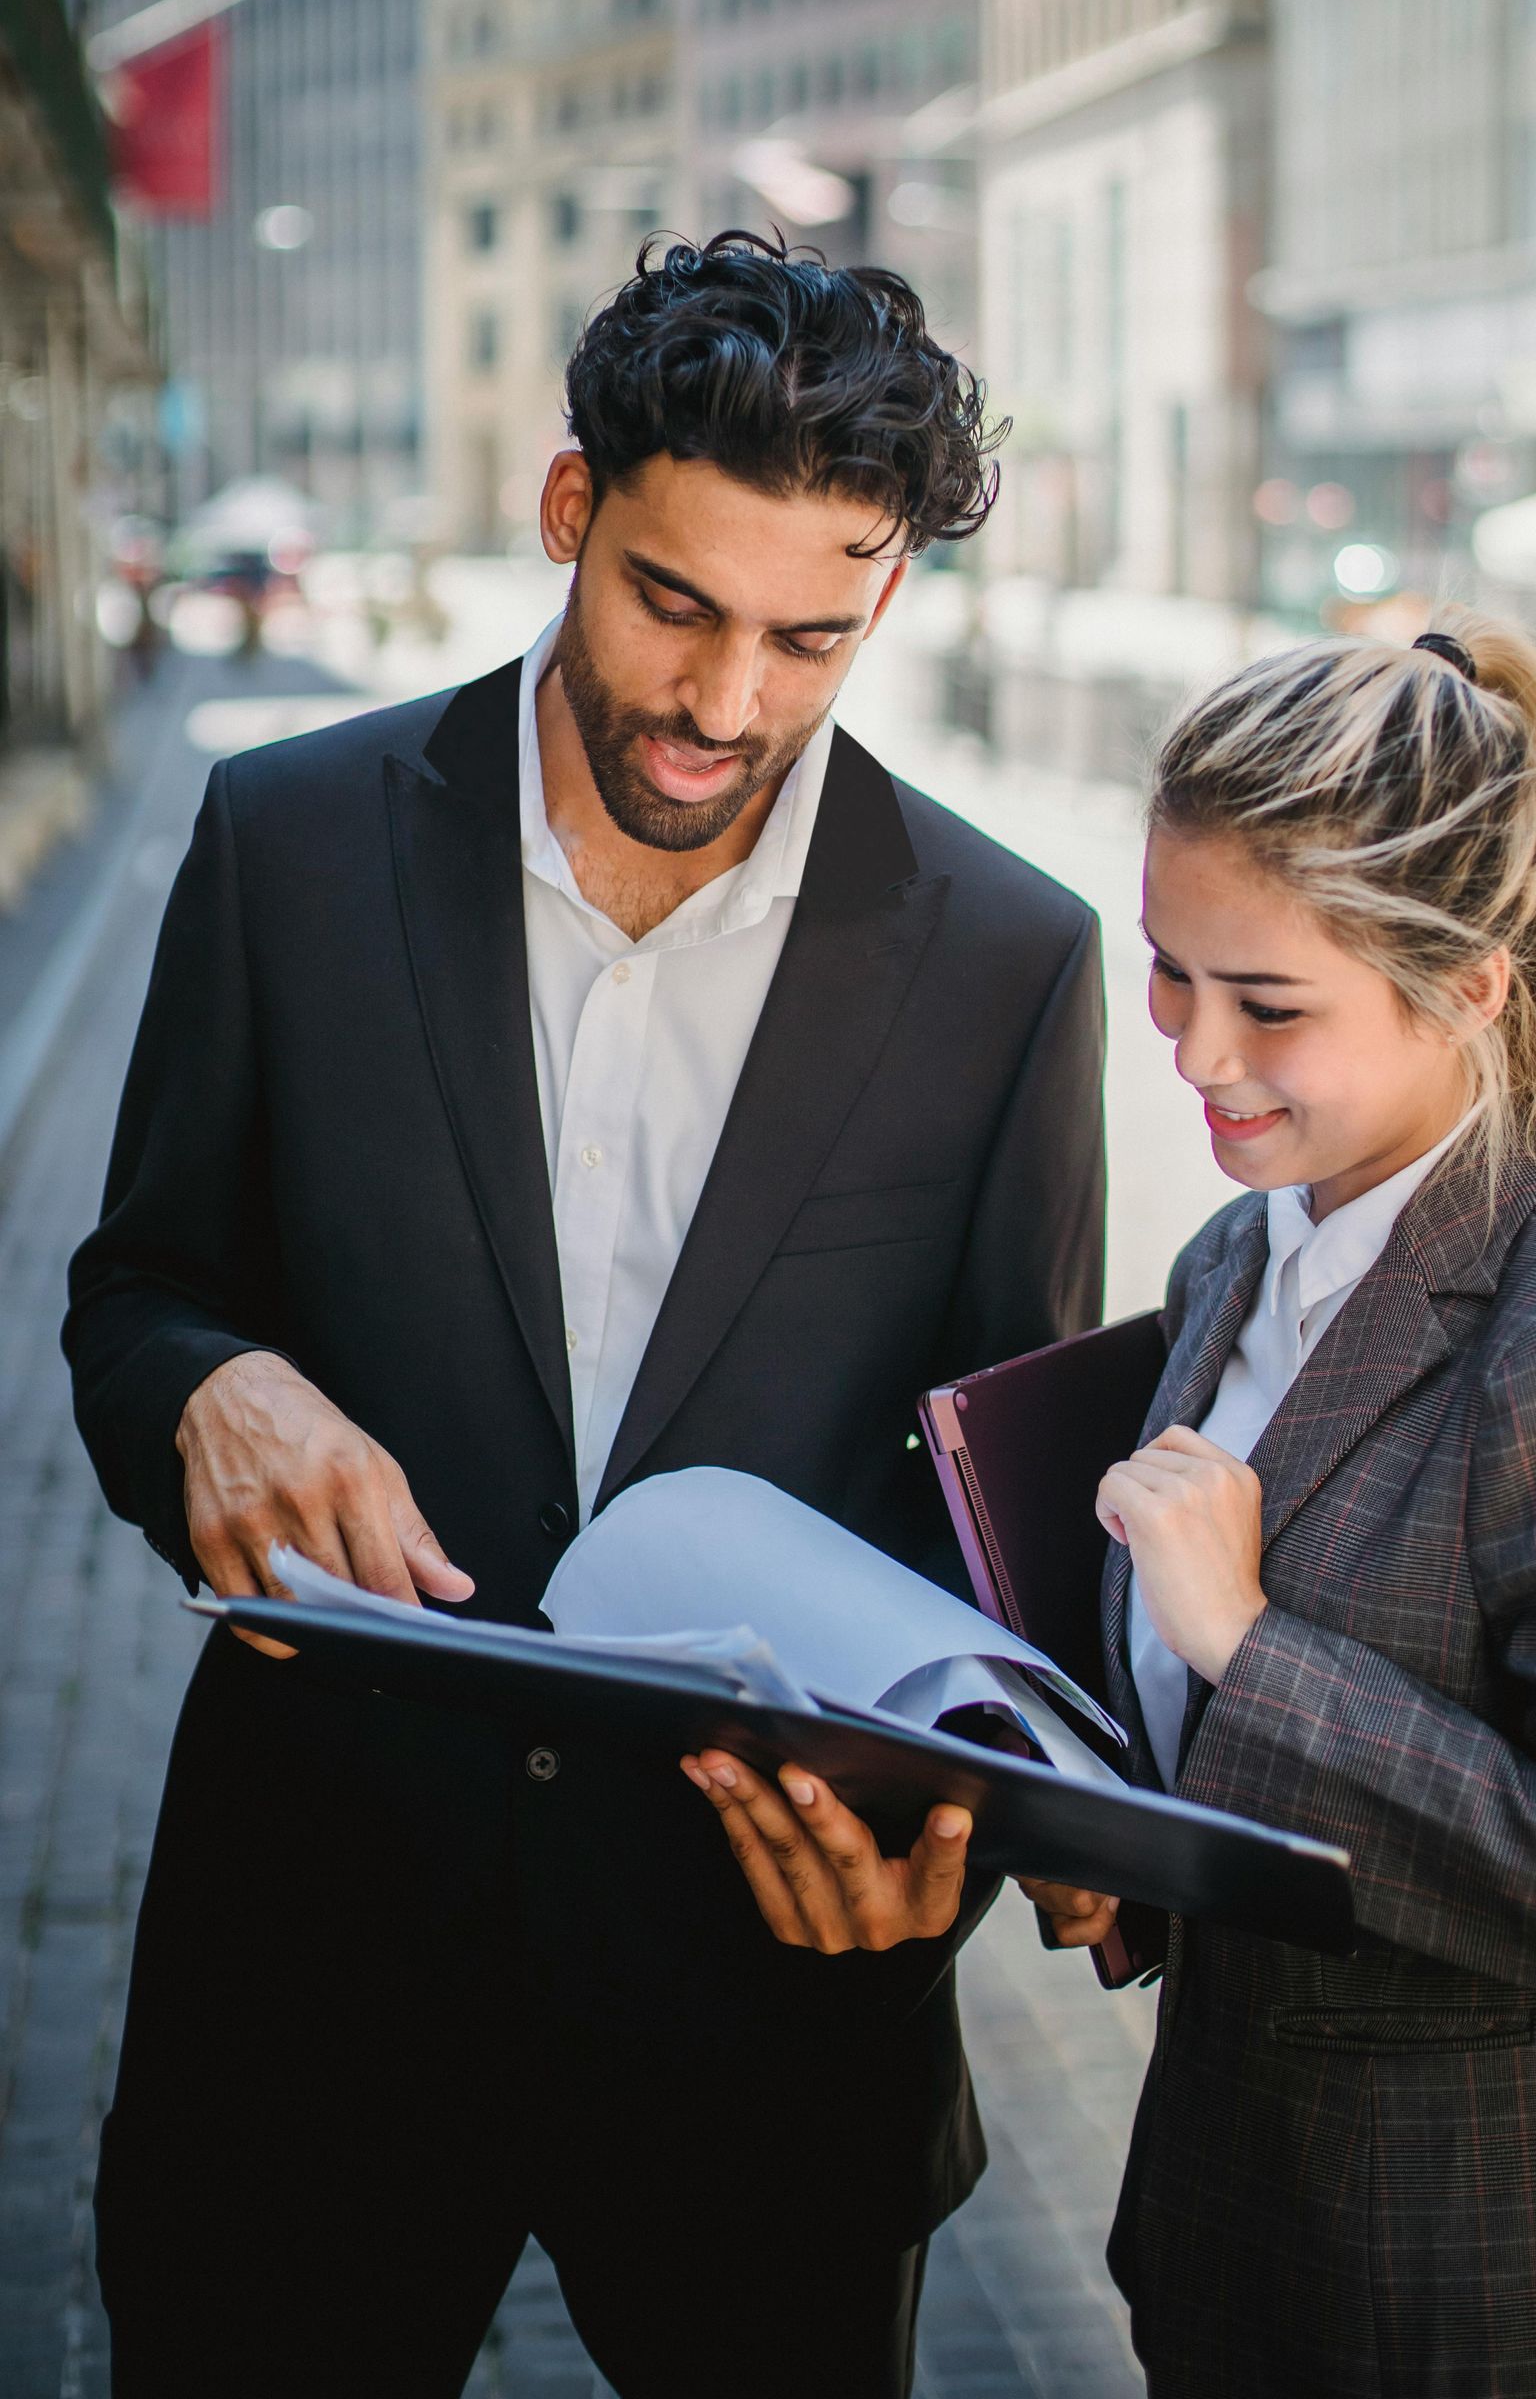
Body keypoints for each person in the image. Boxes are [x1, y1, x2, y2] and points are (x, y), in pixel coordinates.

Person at [65, 235, 1107, 2399]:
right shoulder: (285, 842)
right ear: (568, 514)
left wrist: (958, 1843)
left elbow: (1001, 1543)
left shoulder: (1014, 960)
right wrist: (209, 1387)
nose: (727, 703)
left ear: (887, 600)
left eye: (809, 635)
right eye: (672, 602)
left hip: (771, 2036)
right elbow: (133, 1293)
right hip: (315, 1989)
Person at [687, 615, 1536, 2399]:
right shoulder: (1231, 1258)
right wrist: (1126, 1859)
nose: (1196, 1056)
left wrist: (1251, 1646)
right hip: (1232, 2243)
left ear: (1471, 990)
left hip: (1500, 2300)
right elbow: (1262, 1794)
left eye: (1271, 1003)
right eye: (1167, 970)